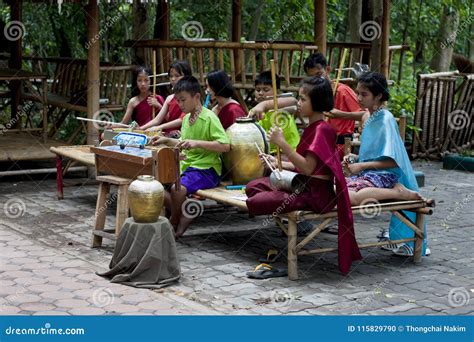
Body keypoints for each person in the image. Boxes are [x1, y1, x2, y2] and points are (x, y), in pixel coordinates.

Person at [245, 76, 362, 274]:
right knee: (252, 187)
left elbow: (308, 169)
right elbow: (308, 167)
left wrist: (282, 144)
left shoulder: (321, 130)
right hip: (300, 184)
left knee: (255, 201)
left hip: (314, 194)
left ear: (316, 102)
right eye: (298, 98)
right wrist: (276, 162)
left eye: (302, 99)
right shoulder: (313, 127)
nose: (298, 104)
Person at [342, 71, 428, 257]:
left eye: (364, 94)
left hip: (388, 175)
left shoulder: (386, 119)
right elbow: (374, 154)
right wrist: (355, 159)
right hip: (373, 174)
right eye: (358, 93)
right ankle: (398, 240)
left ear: (379, 96)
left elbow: (390, 160)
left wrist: (362, 166)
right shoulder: (369, 117)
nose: (358, 98)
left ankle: (408, 241)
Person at [151, 76, 230, 238]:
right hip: (187, 167)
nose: (180, 104)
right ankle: (186, 210)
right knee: (156, 186)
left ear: (196, 97)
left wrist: (197, 143)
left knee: (176, 189)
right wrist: (167, 140)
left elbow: (225, 146)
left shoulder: (209, 117)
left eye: (183, 100)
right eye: (178, 101)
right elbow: (183, 143)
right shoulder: (186, 119)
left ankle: (174, 220)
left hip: (207, 169)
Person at [304, 53, 362, 160]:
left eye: (319, 74)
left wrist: (341, 115)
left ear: (328, 70)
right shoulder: (315, 94)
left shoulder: (343, 91)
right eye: (311, 77)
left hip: (341, 147)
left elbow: (366, 114)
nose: (316, 80)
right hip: (322, 144)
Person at [248, 71, 300, 154]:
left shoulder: (281, 106)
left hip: (290, 153)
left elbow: (293, 101)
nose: (261, 93)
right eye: (258, 90)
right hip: (269, 154)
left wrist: (264, 104)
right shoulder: (256, 110)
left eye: (266, 90)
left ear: (277, 91)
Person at [140, 60, 192, 137]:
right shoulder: (169, 98)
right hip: (169, 135)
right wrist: (141, 129)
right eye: (171, 76)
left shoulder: (191, 96)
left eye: (177, 76)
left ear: (187, 77)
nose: (173, 79)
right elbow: (157, 120)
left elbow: (182, 119)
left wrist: (160, 127)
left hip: (184, 135)